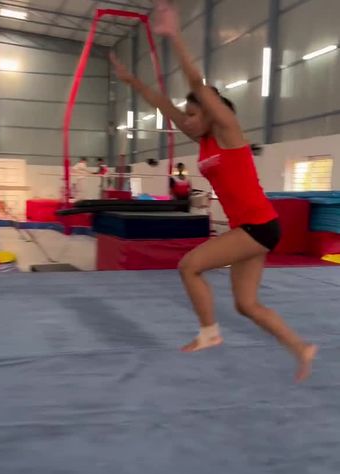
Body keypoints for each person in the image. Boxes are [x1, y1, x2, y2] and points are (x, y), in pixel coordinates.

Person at [109, 0, 317, 382]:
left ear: (212, 110)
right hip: (253, 227)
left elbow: (196, 83)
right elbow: (163, 104)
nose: (187, 121)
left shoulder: (228, 130)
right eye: (187, 115)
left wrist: (174, 36)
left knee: (188, 266)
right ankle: (301, 349)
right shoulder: (202, 138)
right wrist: (132, 82)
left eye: (194, 113)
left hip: (258, 226)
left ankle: (209, 333)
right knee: (246, 305)